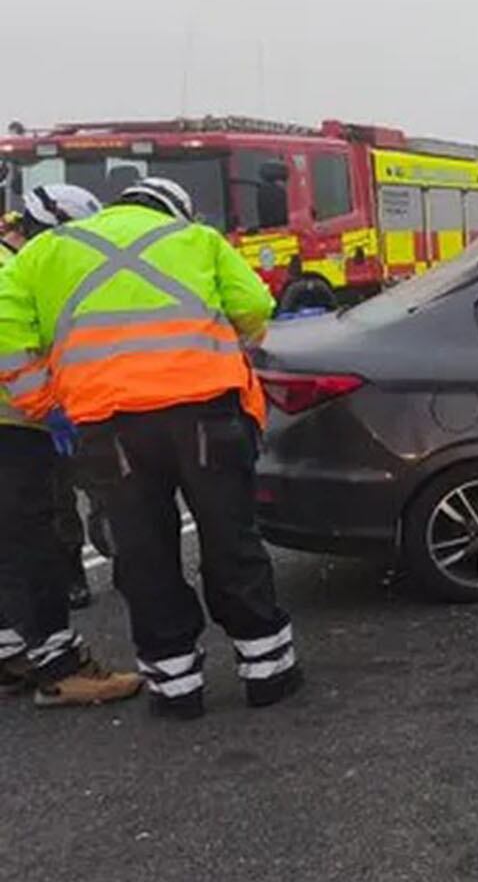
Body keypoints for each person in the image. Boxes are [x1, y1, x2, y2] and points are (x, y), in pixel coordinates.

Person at [0, 176, 300, 719]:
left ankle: (175, 685)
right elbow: (255, 306)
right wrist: (223, 347)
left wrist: (45, 403)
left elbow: (8, 331)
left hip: (109, 425)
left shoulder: (44, 252)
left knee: (142, 549)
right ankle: (267, 670)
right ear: (172, 209)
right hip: (205, 414)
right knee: (229, 534)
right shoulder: (198, 239)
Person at [0, 183, 141, 707]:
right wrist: (48, 407)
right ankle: (61, 668)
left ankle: (10, 655)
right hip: (13, 427)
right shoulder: (15, 269)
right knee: (33, 546)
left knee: (9, 547)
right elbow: (11, 347)